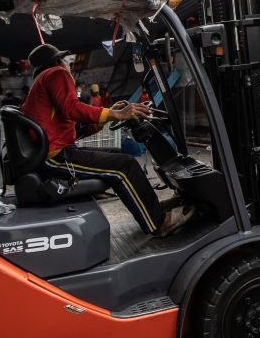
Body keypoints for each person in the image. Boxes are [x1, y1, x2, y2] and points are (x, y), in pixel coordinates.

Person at [21, 43, 193, 236]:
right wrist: (116, 114)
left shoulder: (40, 84)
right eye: (65, 61)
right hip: (55, 157)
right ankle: (157, 223)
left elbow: (68, 129)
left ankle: (150, 207)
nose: (68, 65)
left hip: (53, 152)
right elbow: (72, 108)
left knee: (117, 156)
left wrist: (111, 114)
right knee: (125, 166)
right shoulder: (56, 73)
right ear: (57, 61)